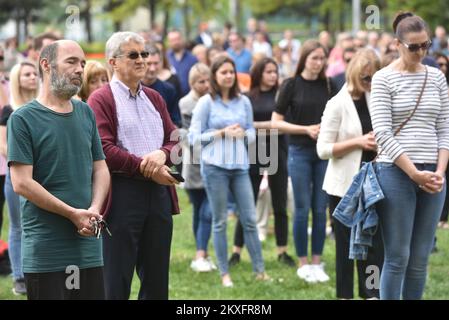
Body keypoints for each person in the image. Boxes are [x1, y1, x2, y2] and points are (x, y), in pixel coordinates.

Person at [7, 40, 110, 300]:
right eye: (72, 62)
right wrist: (72, 213)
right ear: (46, 64)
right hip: (47, 251)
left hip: (88, 247)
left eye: (83, 63)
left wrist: (95, 209)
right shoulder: (22, 119)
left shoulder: (86, 112)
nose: (80, 69)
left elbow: (100, 168)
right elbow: (21, 183)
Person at [88, 32, 180, 300]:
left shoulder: (155, 97)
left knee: (157, 278)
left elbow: (176, 141)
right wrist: (145, 166)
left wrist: (162, 155)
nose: (142, 60)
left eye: (144, 54)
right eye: (133, 55)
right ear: (113, 62)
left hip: (159, 193)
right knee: (116, 278)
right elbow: (104, 149)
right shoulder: (101, 99)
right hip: (121, 193)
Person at [370, 12, 449, 300]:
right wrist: (413, 172)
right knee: (397, 257)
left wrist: (439, 171)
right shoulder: (382, 79)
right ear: (397, 44)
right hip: (396, 172)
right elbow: (382, 133)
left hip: (433, 173)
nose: (421, 52)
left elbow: (445, 128)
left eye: (425, 45)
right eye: (413, 46)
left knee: (420, 259)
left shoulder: (437, 77)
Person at [189, 55, 269, 287]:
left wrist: (243, 134)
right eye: (223, 72)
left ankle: (260, 271)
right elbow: (193, 138)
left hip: (240, 167)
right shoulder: (206, 103)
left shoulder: (243, 102)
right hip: (215, 168)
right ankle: (224, 273)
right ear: (215, 75)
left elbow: (252, 132)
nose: (228, 76)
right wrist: (222, 133)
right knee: (220, 221)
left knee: (250, 219)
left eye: (231, 72)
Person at [317, 49, 384, 299]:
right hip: (344, 188)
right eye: (365, 78)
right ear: (354, 73)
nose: (369, 83)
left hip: (374, 185)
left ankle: (372, 293)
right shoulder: (336, 103)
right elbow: (322, 149)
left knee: (374, 247)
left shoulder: (375, 97)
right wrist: (358, 142)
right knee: (346, 248)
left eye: (373, 78)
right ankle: (345, 295)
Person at [272, 39, 333, 283]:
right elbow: (276, 122)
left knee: (320, 209)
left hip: (324, 154)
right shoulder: (291, 85)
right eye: (314, 58)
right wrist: (304, 129)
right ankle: (303, 262)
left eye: (322, 58)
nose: (318, 63)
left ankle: (317, 262)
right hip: (299, 152)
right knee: (301, 208)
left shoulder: (330, 84)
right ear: (304, 59)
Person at [229, 58, 295, 267]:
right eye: (268, 72)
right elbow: (242, 125)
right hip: (253, 152)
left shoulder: (281, 96)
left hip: (278, 151)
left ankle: (282, 251)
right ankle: (236, 251)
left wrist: (258, 125)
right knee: (247, 204)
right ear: (259, 74)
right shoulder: (247, 98)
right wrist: (270, 125)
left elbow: (286, 124)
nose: (273, 75)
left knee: (279, 203)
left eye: (275, 71)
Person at [0, 61, 39, 295]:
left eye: (35, 73)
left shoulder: (42, 106)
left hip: (42, 175)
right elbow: (3, 145)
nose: (33, 77)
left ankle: (39, 270)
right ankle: (19, 277)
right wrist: (24, 157)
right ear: (17, 79)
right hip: (16, 175)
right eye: (27, 74)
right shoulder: (9, 110)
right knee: (18, 226)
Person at [179, 63, 216, 272]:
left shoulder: (212, 100)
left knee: (208, 211)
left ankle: (201, 253)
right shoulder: (187, 103)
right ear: (192, 83)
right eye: (201, 82)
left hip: (211, 162)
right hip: (193, 164)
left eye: (207, 81)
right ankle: (201, 252)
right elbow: (193, 135)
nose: (205, 85)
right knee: (199, 210)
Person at [142, 45, 181, 127]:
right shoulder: (133, 89)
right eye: (148, 63)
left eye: (156, 63)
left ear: (161, 63)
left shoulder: (169, 90)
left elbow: (176, 121)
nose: (152, 68)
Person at [167, 29, 198, 97]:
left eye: (177, 39)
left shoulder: (192, 58)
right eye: (172, 40)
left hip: (189, 97)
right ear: (169, 42)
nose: (176, 42)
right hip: (172, 98)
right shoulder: (166, 58)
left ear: (182, 39)